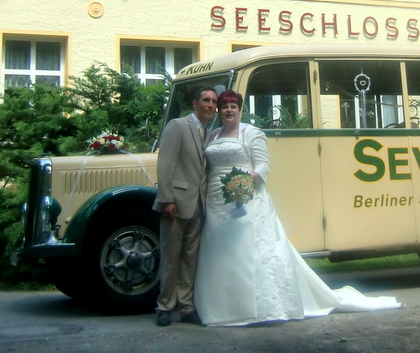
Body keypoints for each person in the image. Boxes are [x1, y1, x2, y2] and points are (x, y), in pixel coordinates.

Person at [194, 90, 400, 327]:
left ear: (241, 110)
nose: (229, 110)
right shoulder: (213, 135)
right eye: (225, 106)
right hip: (216, 202)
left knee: (247, 250)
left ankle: (255, 307)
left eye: (234, 106)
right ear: (219, 110)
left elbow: (263, 166)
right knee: (220, 252)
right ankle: (221, 306)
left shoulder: (251, 133)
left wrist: (241, 184)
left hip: (247, 200)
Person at [152, 86, 217, 327]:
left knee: (191, 258)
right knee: (171, 257)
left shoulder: (209, 134)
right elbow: (165, 164)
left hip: (199, 205)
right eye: (206, 100)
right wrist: (166, 199)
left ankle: (187, 307)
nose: (210, 105)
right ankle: (165, 306)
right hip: (176, 204)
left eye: (213, 102)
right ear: (195, 103)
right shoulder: (178, 126)